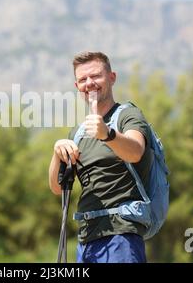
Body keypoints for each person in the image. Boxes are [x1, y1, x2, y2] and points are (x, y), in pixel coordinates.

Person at [48, 51, 153, 263]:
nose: (89, 83)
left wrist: (107, 134)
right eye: (82, 80)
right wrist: (56, 153)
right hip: (86, 240)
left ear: (112, 77)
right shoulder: (77, 133)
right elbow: (57, 188)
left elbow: (135, 151)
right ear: (77, 87)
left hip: (121, 235)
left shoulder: (127, 115)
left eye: (96, 76)